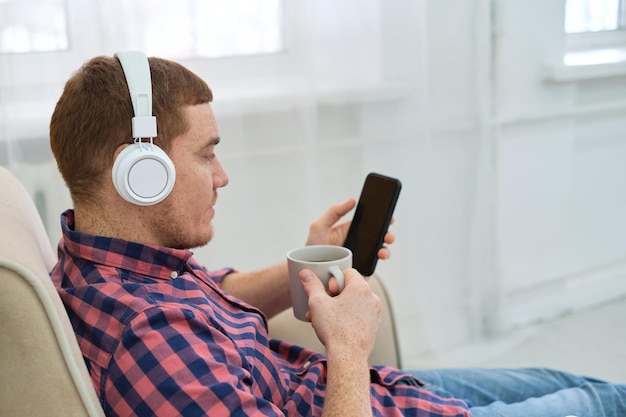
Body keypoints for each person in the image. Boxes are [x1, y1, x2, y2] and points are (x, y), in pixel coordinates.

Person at [48, 52, 626, 417]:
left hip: (370, 393)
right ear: (140, 174)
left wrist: (307, 265)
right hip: (355, 397)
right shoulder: (148, 340)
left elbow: (217, 301)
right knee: (606, 400)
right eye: (206, 156)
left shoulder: (114, 263)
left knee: (562, 381)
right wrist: (348, 346)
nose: (223, 178)